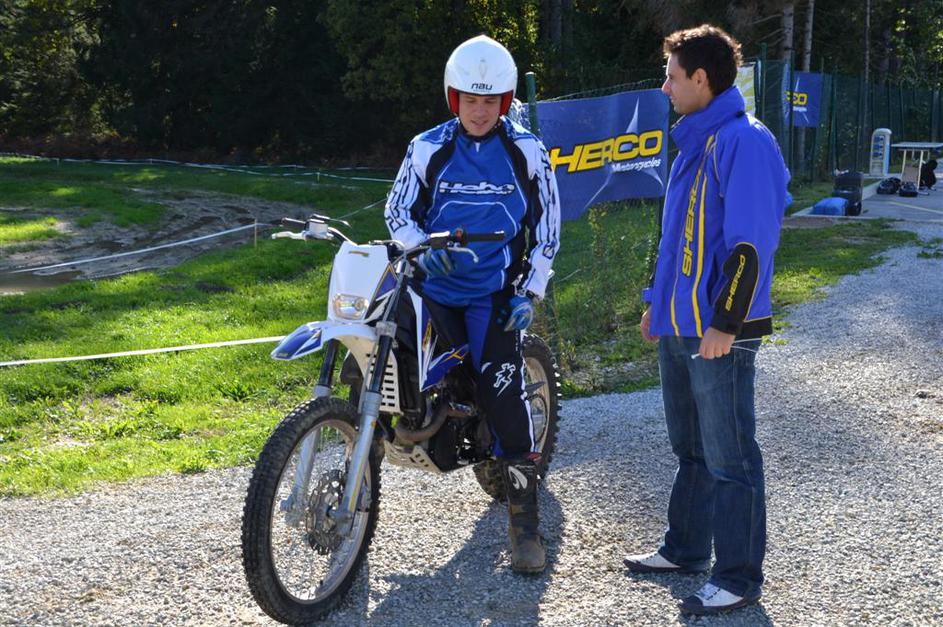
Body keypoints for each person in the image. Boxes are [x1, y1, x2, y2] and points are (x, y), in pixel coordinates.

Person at [623, 25, 789, 615]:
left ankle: (738, 577)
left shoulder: (744, 141)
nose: (664, 87)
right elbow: (678, 240)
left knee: (730, 455)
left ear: (700, 78)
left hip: (720, 330)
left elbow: (750, 245)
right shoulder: (696, 140)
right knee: (690, 448)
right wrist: (657, 304)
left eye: (671, 76)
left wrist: (726, 323)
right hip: (679, 324)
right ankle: (686, 549)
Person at [384, 34, 561, 573]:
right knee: (386, 362)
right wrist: (420, 248)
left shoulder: (526, 150)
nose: (479, 111)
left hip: (494, 294)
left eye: (490, 101)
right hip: (431, 287)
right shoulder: (426, 147)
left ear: (504, 101)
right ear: (452, 97)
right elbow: (397, 213)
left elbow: (548, 228)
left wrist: (530, 292)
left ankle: (525, 526)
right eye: (470, 100)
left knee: (502, 393)